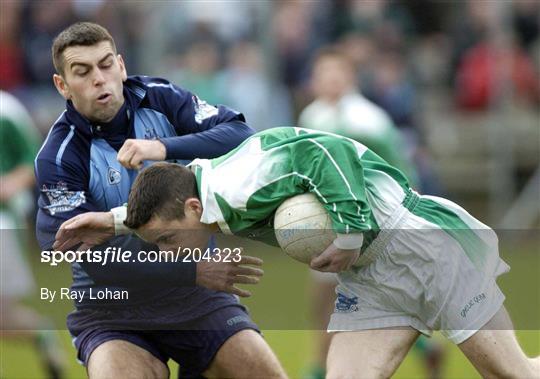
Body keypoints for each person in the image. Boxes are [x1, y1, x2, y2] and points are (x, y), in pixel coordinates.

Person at [117, 126, 538, 378]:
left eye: (168, 242)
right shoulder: (199, 193)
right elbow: (159, 213)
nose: (169, 254)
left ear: (194, 208)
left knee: (510, 373)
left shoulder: (236, 185)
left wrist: (350, 234)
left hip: (420, 245)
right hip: (371, 279)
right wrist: (113, 221)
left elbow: (324, 151)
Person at [35, 22, 286, 378]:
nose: (99, 79)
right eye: (83, 71)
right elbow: (90, 258)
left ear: (121, 66)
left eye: (106, 65)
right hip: (114, 309)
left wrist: (164, 147)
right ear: (63, 85)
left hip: (198, 299)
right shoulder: (59, 157)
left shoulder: (160, 98)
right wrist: (192, 270)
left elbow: (240, 135)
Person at [298, 47, 445, 379]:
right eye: (323, 73)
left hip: (366, 222)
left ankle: (320, 369)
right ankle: (425, 347)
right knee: (332, 297)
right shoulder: (313, 116)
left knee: (341, 297)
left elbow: (401, 169)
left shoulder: (369, 120)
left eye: (336, 73)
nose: (329, 80)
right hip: (328, 220)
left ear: (349, 78)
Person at [1, 90, 66, 378]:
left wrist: (8, 186)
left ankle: (41, 333)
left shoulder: (7, 109)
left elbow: (33, 160)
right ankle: (41, 334)